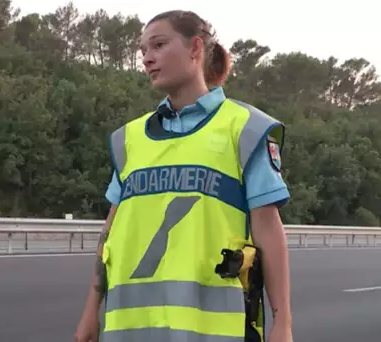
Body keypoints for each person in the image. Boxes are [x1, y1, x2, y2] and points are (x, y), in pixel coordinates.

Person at [74, 9, 293, 342]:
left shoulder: (243, 129)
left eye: (158, 45)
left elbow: (268, 229)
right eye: (143, 51)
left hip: (216, 331)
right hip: (129, 331)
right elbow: (111, 232)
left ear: (194, 49)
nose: (147, 59)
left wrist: (283, 323)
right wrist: (91, 309)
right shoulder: (129, 139)